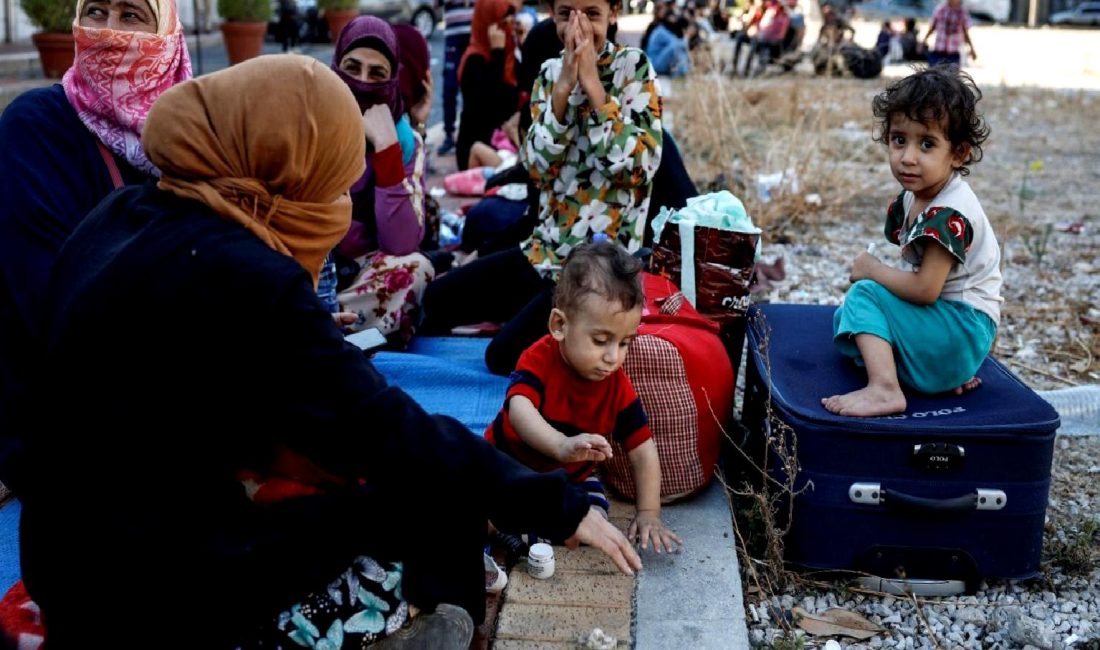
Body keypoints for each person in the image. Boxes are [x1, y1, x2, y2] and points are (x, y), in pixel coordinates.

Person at [20, 54, 642, 648]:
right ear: (287, 165)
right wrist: (553, 506)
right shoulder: (248, 278)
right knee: (436, 507)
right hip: (145, 595)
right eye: (335, 184)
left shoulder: (122, 213)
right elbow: (388, 433)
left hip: (61, 566)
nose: (337, 207)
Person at [0, 0, 191, 492]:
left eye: (132, 16)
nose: (108, 32)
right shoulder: (37, 127)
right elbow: (51, 308)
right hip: (68, 421)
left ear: (168, 33)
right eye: (97, 11)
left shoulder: (193, 138)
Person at [420, 0, 664, 376]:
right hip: (543, 252)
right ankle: (525, 311)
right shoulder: (550, 73)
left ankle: (533, 320)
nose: (578, 27)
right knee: (436, 300)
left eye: (592, 14)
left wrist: (595, 90)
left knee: (503, 356)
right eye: (566, 14)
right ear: (552, 16)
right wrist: (564, 92)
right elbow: (535, 166)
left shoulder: (634, 67)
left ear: (613, 14)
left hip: (597, 269)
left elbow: (636, 169)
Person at [822, 67, 1000, 417]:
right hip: (952, 334)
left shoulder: (950, 212)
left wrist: (872, 271)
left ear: (959, 153)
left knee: (863, 296)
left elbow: (925, 290)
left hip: (962, 328)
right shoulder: (915, 195)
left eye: (927, 144)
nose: (908, 157)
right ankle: (936, 375)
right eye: (899, 140)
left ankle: (885, 390)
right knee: (848, 320)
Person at [485, 242, 682, 553]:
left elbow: (643, 450)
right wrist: (560, 445)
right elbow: (520, 410)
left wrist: (649, 513)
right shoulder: (539, 358)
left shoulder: (616, 385)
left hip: (569, 480)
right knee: (477, 494)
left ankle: (522, 531)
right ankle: (511, 528)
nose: (612, 357)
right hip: (509, 464)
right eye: (601, 340)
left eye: (624, 343)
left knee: (594, 513)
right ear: (560, 325)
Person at [327, 17, 435, 344]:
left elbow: (400, 244)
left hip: (358, 275)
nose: (362, 82)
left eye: (377, 74)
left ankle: (317, 328)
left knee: (417, 270)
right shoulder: (309, 122)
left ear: (392, 81)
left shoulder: (404, 142)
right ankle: (316, 323)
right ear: (335, 68)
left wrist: (386, 152)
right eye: (352, 68)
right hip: (303, 268)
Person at [455, 0, 521, 170]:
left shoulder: (511, 57)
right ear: (490, 23)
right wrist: (497, 53)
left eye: (512, 19)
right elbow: (487, 106)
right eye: (505, 21)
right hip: (476, 152)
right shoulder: (474, 60)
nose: (510, 26)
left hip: (505, 147)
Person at [438, 0, 474, 156]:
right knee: (449, 87)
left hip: (473, 35)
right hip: (453, 36)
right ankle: (449, 135)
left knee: (472, 87)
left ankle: (471, 134)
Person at [923, 0, 975, 67]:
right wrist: (924, 41)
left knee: (952, 76)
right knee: (932, 75)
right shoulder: (940, 9)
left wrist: (972, 49)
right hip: (938, 51)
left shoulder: (962, 13)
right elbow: (932, 27)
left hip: (953, 53)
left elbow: (965, 33)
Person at [646, 10, 692, 76]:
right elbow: (676, 44)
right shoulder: (661, 31)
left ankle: (685, 69)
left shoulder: (663, 29)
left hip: (657, 61)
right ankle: (684, 70)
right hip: (655, 64)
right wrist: (687, 36)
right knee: (676, 46)